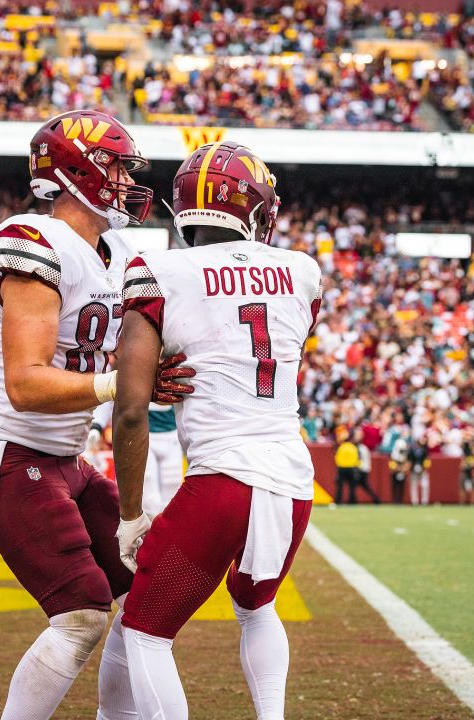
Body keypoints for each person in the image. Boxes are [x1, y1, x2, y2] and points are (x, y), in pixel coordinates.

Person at [0, 109, 193, 720]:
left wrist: (156, 373)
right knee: (80, 612)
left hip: (66, 459)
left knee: (145, 593)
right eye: (119, 166)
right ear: (80, 170)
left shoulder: (123, 249)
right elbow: (24, 382)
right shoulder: (34, 239)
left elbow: (136, 354)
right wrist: (121, 382)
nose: (129, 179)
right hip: (11, 451)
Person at [112, 141, 318, 720]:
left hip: (222, 480)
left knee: (145, 631)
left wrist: (131, 515)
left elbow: (130, 408)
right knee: (257, 607)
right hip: (291, 477)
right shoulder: (303, 271)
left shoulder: (158, 269)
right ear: (255, 208)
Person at [334, 431, 359, 504]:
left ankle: (338, 501)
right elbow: (356, 458)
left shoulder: (341, 447)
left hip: (342, 468)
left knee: (340, 487)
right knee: (352, 487)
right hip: (351, 468)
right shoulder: (353, 447)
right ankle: (352, 501)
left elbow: (337, 458)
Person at [407, 435, 429, 506]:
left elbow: (427, 460)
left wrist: (424, 469)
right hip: (413, 470)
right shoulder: (412, 450)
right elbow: (409, 461)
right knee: (414, 485)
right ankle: (414, 501)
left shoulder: (425, 450)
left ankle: (424, 501)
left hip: (423, 470)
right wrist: (410, 470)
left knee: (424, 485)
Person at [460, 437, 474, 506]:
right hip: (466, 471)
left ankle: (473, 503)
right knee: (463, 487)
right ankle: (462, 503)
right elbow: (462, 464)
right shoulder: (466, 451)